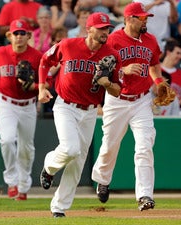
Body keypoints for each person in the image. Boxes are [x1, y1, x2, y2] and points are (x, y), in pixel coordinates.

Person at [38, 12, 121, 217]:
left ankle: (59, 207)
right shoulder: (68, 45)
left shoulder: (112, 55)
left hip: (90, 110)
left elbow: (118, 90)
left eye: (107, 28)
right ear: (89, 29)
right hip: (65, 105)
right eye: (101, 28)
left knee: (77, 161)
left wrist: (107, 84)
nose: (105, 31)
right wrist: (41, 87)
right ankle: (49, 166)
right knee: (70, 148)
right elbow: (45, 60)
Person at [91, 2, 167, 211]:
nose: (145, 21)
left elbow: (154, 65)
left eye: (146, 18)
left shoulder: (150, 40)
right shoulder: (113, 40)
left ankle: (144, 195)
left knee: (144, 145)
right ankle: (103, 180)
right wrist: (123, 69)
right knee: (109, 146)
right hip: (117, 100)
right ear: (129, 19)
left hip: (141, 100)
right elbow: (103, 71)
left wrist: (159, 83)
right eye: (141, 18)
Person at [0, 19, 45, 201]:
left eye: (22, 33)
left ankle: (24, 186)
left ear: (28, 36)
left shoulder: (37, 56)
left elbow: (46, 83)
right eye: (15, 33)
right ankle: (12, 181)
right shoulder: (1, 52)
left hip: (27, 105)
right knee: (7, 140)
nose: (19, 37)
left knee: (26, 148)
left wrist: (33, 86)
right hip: (6, 102)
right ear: (9, 36)